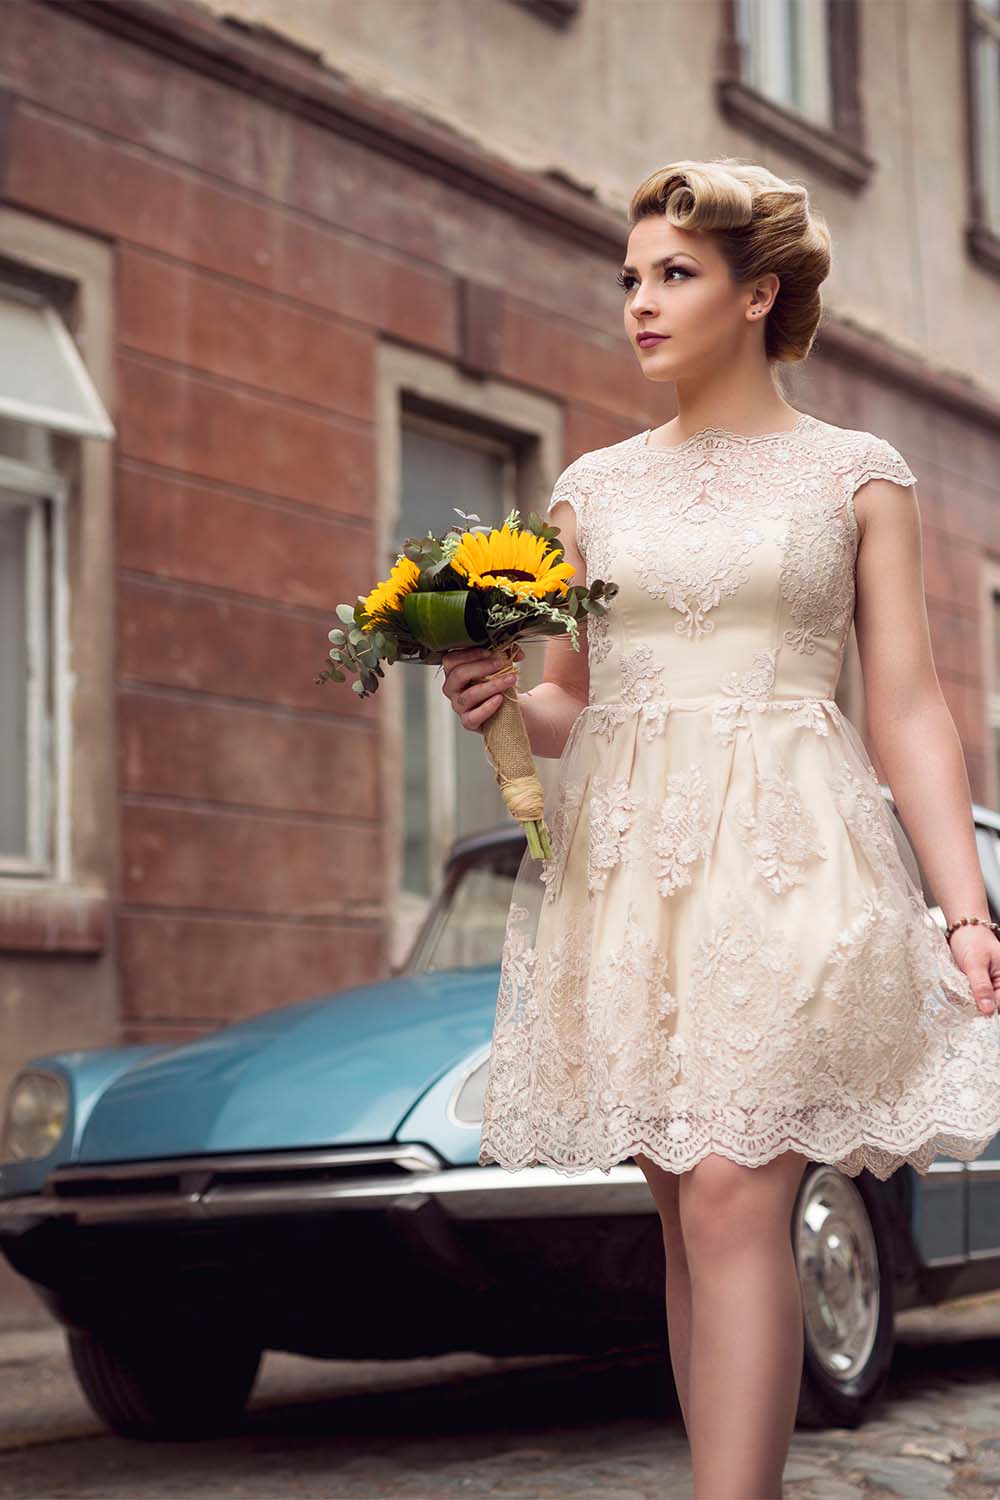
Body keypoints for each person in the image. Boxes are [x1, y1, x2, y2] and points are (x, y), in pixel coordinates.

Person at [440, 157, 1000, 1500]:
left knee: (744, 1194)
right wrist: (507, 698)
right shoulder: (590, 491)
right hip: (634, 871)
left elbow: (911, 710)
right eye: (630, 277)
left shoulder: (858, 477)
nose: (640, 302)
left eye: (674, 275)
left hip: (796, 856)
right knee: (691, 1220)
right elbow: (571, 703)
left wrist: (965, 907)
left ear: (758, 294)